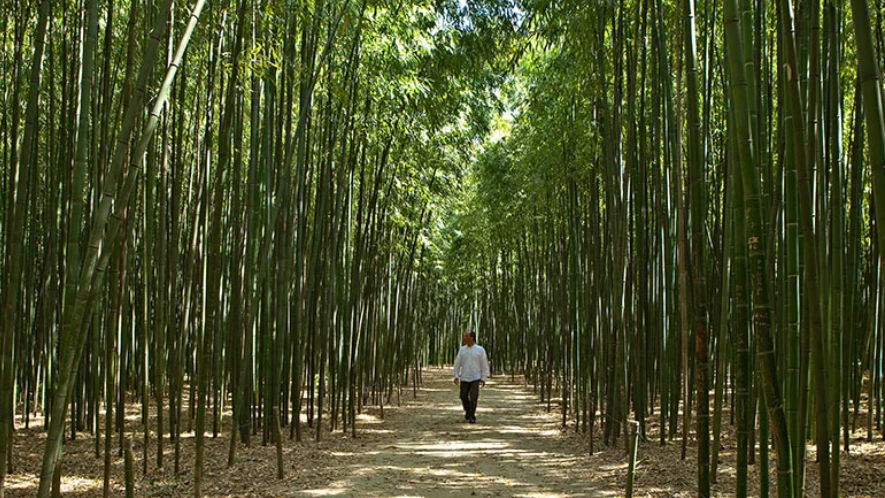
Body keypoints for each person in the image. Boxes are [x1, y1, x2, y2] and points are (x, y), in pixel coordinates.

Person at [453, 330, 490, 424]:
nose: (464, 337)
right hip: (465, 377)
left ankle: (472, 415)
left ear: (472, 338)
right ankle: (468, 411)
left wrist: (484, 377)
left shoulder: (480, 350)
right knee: (463, 396)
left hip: (476, 377)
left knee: (474, 397)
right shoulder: (462, 349)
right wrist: (456, 375)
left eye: (466, 336)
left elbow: (484, 364)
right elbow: (458, 363)